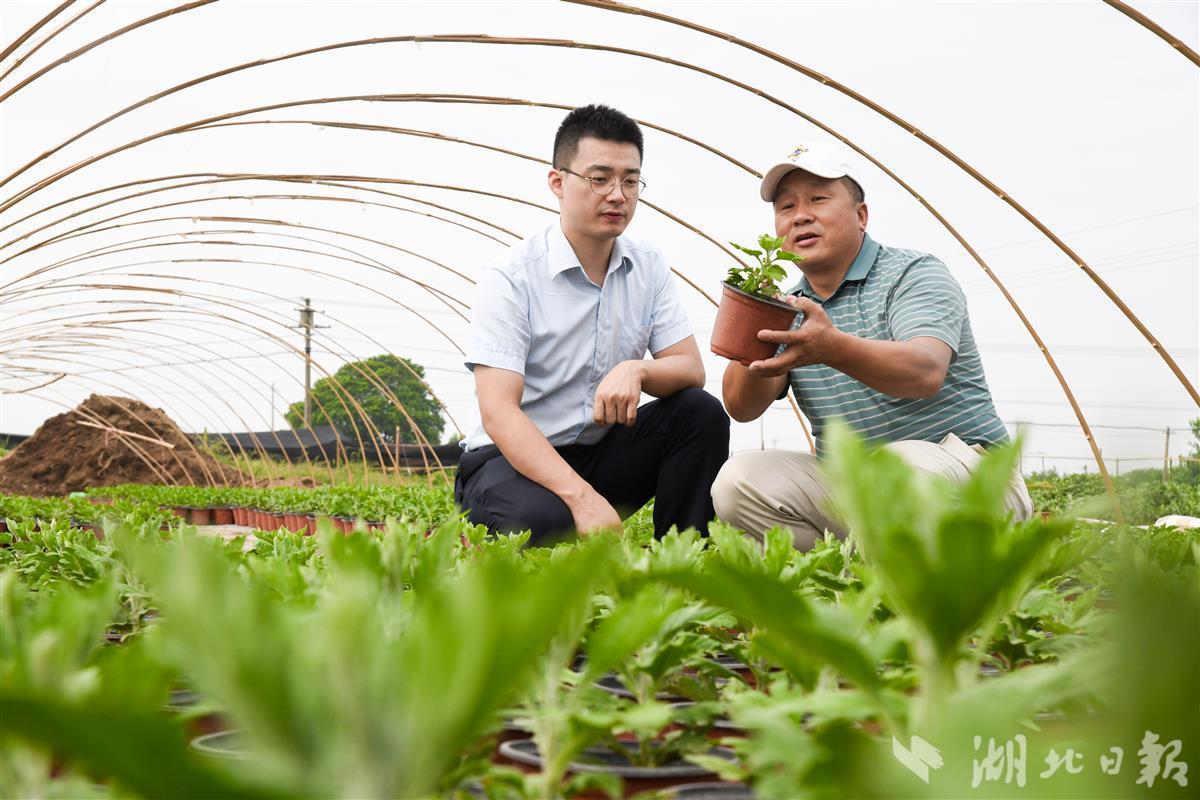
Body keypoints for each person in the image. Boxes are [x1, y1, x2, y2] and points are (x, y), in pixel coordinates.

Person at [711, 141, 1031, 550]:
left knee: (896, 470)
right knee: (738, 482)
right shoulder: (790, 309)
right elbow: (741, 407)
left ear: (861, 215)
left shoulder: (914, 275)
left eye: (818, 199)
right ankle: (847, 570)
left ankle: (897, 579)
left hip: (965, 472)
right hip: (861, 488)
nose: (801, 215)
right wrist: (754, 329)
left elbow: (925, 371)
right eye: (786, 207)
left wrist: (831, 347)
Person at [455, 104, 729, 546]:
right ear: (557, 182)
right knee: (544, 523)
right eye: (599, 179)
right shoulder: (511, 277)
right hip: (506, 461)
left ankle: (683, 564)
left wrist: (636, 370)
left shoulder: (648, 266)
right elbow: (498, 411)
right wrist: (580, 497)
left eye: (630, 180)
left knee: (699, 412)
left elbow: (689, 368)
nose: (617, 194)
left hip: (598, 452)